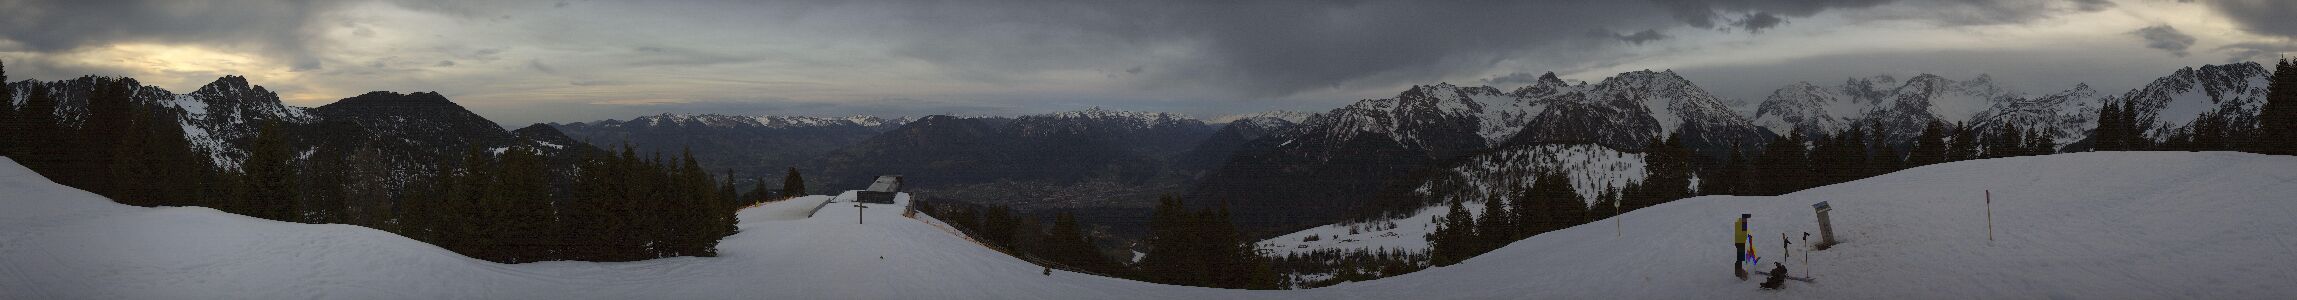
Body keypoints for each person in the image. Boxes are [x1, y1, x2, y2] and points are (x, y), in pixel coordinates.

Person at [1734, 214, 1750, 280]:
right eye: (1745, 219)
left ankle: (1739, 270)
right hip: (1739, 242)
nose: (1745, 220)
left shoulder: (1741, 223)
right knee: (1740, 257)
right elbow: (1741, 233)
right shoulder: (1739, 223)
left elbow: (1744, 233)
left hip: (1741, 241)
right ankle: (1739, 272)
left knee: (1741, 257)